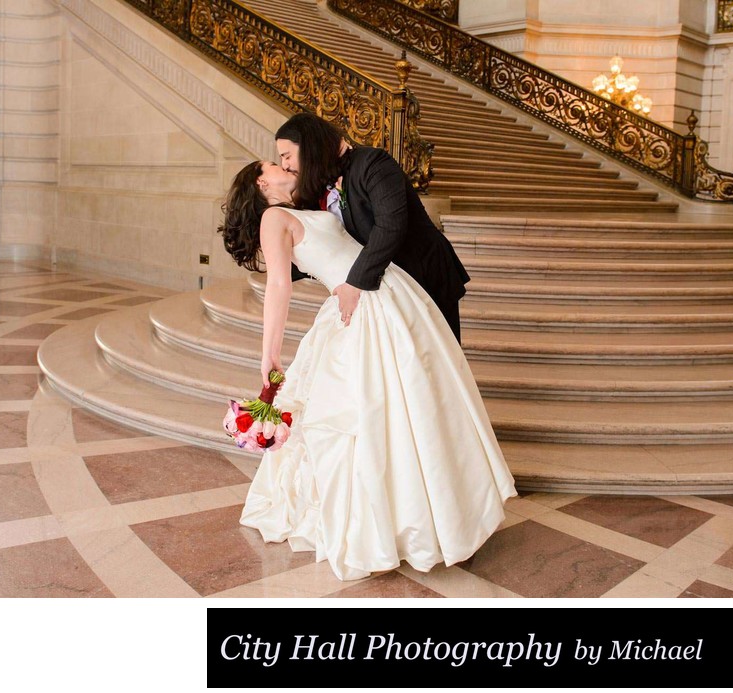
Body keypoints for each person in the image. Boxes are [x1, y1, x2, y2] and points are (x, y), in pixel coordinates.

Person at [218, 159, 516, 582]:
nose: (284, 163)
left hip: (388, 289)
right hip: (355, 307)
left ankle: (437, 512)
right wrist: (269, 353)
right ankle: (384, 526)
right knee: (367, 413)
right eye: (273, 162)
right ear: (261, 182)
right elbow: (280, 285)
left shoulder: (306, 205)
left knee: (418, 400)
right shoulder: (273, 216)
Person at [275, 112, 470, 342]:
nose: (284, 165)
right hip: (389, 283)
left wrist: (355, 282)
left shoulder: (373, 163)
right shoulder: (320, 185)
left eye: (287, 156)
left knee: (440, 358)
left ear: (309, 147)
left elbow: (390, 227)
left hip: (424, 272)